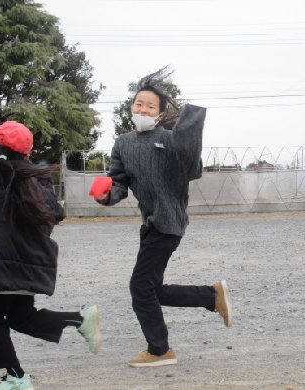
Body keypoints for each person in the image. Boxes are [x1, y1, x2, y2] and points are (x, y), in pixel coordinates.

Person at [95, 68, 232, 368]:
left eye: (150, 106)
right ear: (131, 107)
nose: (142, 109)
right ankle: (211, 296)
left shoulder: (170, 140)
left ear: (159, 114)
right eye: (138, 103)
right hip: (150, 223)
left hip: (168, 221)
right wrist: (107, 196)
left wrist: (190, 132)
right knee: (150, 289)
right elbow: (118, 182)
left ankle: (160, 350)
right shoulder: (123, 143)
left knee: (140, 287)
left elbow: (192, 168)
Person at [0, 121, 101, 390]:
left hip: (3, 268)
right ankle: (80, 319)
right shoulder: (34, 179)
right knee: (21, 318)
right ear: (28, 152)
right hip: (25, 266)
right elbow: (56, 212)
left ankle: (17, 379)